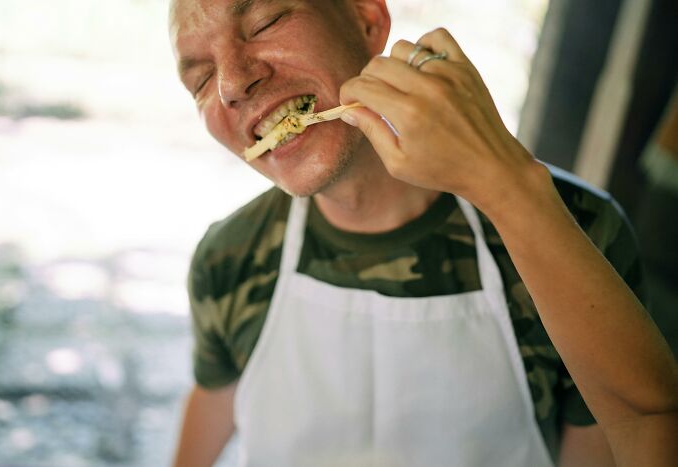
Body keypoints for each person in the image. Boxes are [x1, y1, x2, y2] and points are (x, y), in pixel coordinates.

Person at [168, 1, 678, 466]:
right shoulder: (228, 258)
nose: (232, 84)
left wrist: (504, 179)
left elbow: (637, 429)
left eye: (264, 23)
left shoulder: (577, 228)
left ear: (367, 19)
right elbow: (215, 398)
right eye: (200, 81)